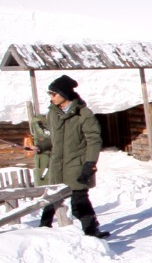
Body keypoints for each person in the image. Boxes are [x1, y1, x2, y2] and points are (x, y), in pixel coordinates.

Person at [34, 75, 105, 238]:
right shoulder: (52, 113)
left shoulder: (84, 114)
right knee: (52, 199)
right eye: (49, 94)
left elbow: (94, 140)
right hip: (57, 165)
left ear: (64, 94)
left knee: (79, 199)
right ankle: (42, 230)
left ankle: (91, 232)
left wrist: (90, 163)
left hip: (77, 164)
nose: (51, 97)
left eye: (53, 94)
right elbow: (53, 139)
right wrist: (39, 147)